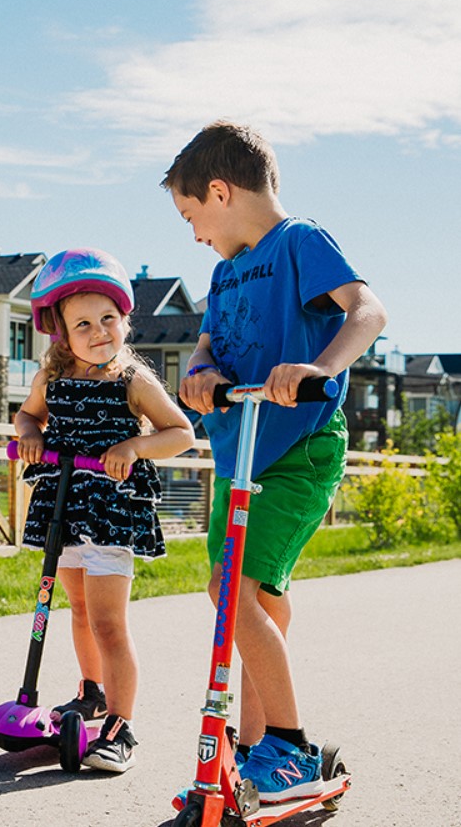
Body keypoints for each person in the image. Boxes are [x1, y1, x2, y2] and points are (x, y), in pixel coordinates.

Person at [164, 121, 388, 802]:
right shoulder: (224, 271)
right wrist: (198, 373)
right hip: (241, 452)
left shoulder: (299, 242)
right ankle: (261, 745)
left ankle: (289, 749)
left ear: (219, 191)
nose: (194, 234)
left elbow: (368, 311)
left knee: (228, 592)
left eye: (191, 216)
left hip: (295, 449)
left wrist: (316, 368)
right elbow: (206, 347)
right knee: (253, 594)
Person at [13, 248, 195, 772]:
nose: (99, 332)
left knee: (110, 622)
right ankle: (90, 694)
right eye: (84, 324)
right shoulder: (51, 379)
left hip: (112, 510)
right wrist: (28, 436)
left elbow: (180, 432)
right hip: (64, 506)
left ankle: (121, 726)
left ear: (124, 320)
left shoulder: (132, 379)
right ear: (61, 333)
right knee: (80, 611)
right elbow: (27, 418)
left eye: (108, 320)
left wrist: (135, 448)